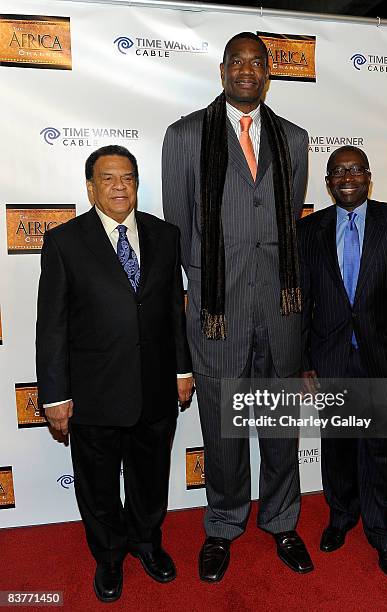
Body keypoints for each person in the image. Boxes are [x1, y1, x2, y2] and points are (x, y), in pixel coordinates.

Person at [162, 32, 313, 582]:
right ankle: (223, 525)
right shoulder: (184, 136)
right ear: (222, 69)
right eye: (237, 61)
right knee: (223, 431)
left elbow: (286, 226)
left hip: (279, 312)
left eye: (258, 63)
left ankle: (282, 520)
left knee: (279, 430)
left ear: (268, 73)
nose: (247, 70)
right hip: (217, 314)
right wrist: (210, 292)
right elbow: (179, 232)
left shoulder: (293, 140)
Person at [36, 145, 193, 602]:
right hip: (95, 394)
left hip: (156, 388)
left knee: (149, 477)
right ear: (91, 187)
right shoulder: (64, 242)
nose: (119, 185)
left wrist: (183, 369)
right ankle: (108, 557)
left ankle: (146, 542)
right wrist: (53, 396)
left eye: (127, 176)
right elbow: (52, 326)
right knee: (99, 485)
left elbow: (172, 312)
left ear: (137, 183)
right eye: (108, 178)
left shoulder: (166, 236)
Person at [298, 145, 387, 581]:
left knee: (381, 450)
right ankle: (341, 518)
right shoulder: (309, 230)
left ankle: (382, 533)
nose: (348, 177)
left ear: (369, 176)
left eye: (356, 169)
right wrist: (304, 360)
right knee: (337, 448)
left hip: (383, 359)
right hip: (331, 357)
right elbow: (300, 302)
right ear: (327, 182)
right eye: (338, 172)